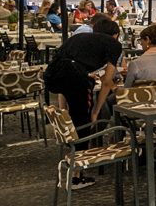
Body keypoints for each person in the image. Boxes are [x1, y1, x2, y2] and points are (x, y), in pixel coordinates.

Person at [45, 14, 123, 186]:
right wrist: (95, 111)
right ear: (115, 35)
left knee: (76, 120)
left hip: (52, 74)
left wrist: (62, 109)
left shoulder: (80, 37)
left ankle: (73, 166)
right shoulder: (113, 44)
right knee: (84, 125)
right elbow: (107, 81)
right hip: (74, 76)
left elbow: (63, 68)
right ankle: (76, 177)